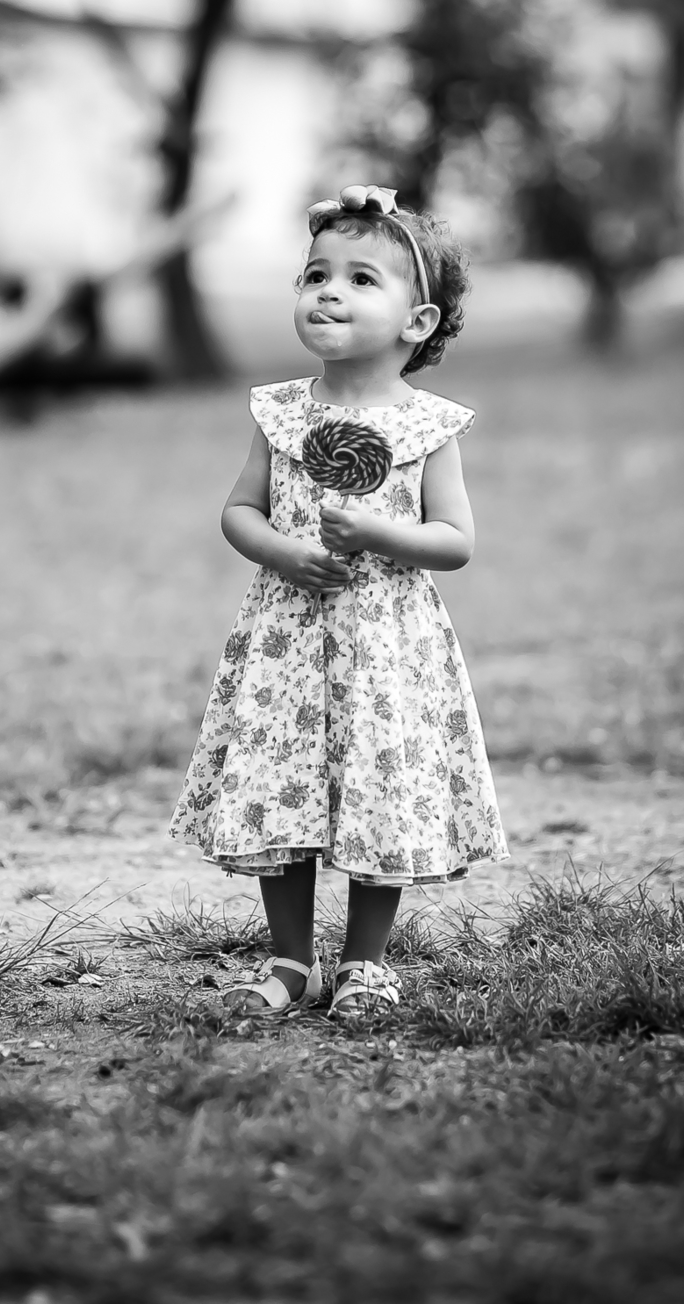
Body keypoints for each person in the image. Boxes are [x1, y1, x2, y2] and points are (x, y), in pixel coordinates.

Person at [170, 185, 508, 1019]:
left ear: (416, 322)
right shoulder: (282, 413)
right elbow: (238, 510)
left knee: (377, 795)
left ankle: (364, 963)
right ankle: (289, 962)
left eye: (362, 280)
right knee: (279, 792)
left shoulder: (429, 428)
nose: (328, 291)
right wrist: (282, 548)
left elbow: (455, 541)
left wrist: (378, 531)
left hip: (387, 648)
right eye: (316, 273)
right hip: (287, 644)